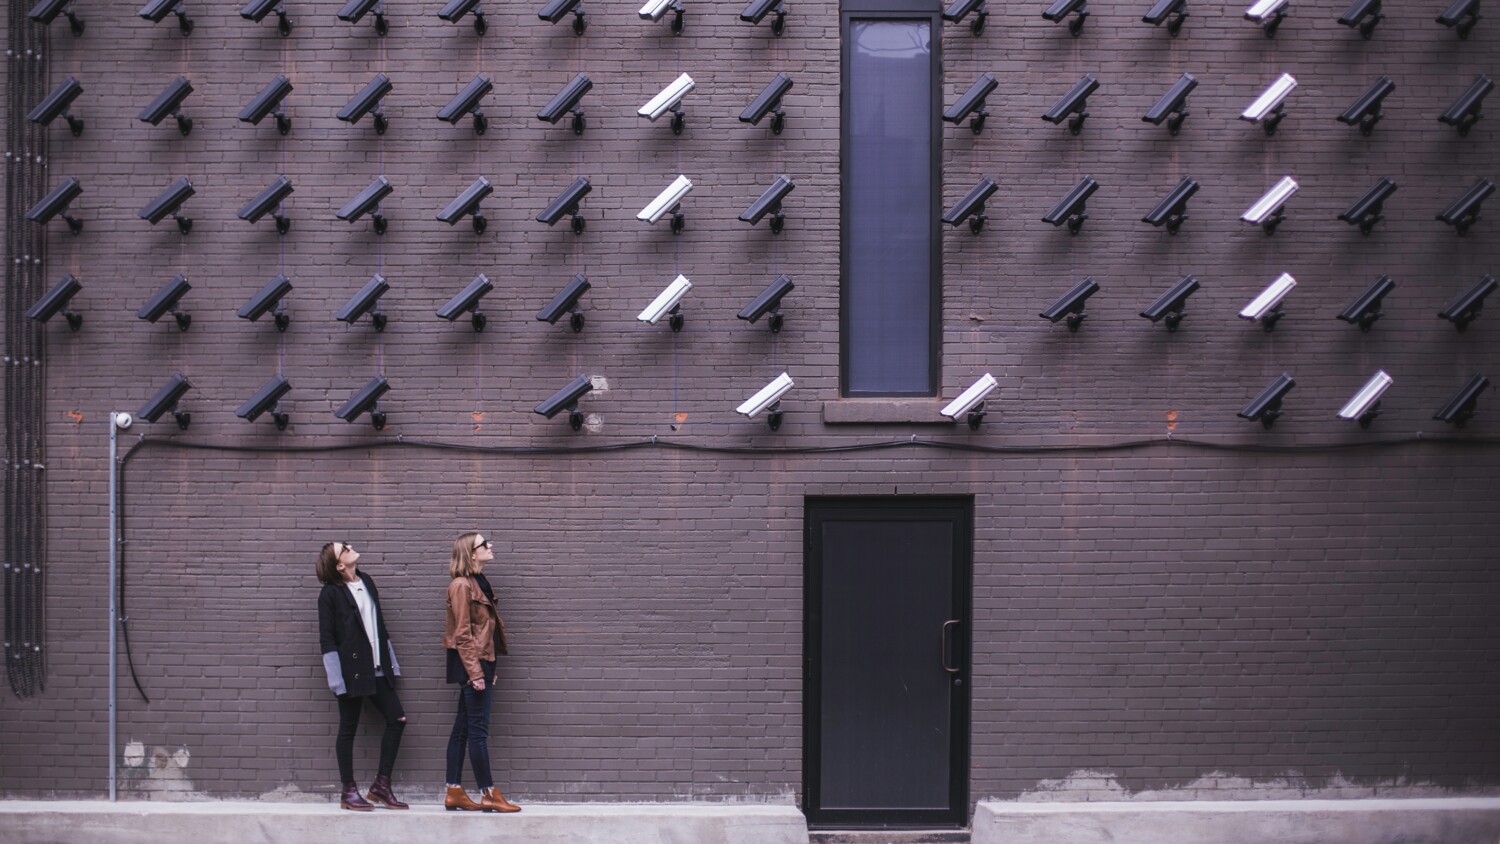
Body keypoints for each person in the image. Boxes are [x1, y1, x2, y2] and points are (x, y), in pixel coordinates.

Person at [316, 540, 408, 811]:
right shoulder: (330, 594)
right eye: (344, 548)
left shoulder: (366, 581)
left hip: (378, 668)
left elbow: (379, 625)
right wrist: (336, 680)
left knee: (397, 719)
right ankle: (348, 791)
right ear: (339, 564)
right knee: (348, 728)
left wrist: (392, 663)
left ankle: (381, 785)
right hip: (351, 672)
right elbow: (327, 640)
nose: (350, 546)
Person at [442, 531, 521, 813]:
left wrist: (490, 665)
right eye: (484, 544)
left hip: (479, 662)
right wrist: (476, 672)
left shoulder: (478, 581)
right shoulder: (461, 586)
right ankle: (488, 792)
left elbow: (485, 632)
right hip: (470, 664)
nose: (490, 545)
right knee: (478, 731)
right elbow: (462, 634)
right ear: (471, 553)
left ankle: (453, 790)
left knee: (463, 729)